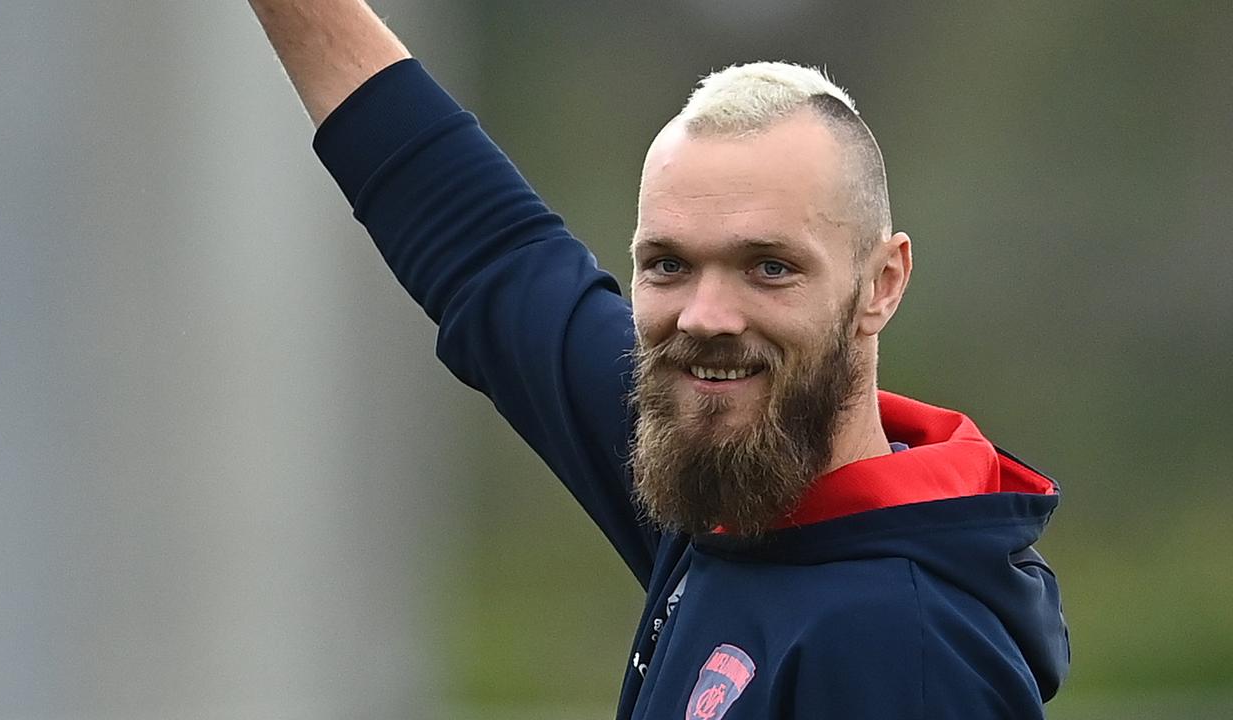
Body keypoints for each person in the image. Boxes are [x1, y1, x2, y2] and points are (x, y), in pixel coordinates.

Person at [247, 2, 1070, 717]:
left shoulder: (901, 645)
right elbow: (488, 257)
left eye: (769, 267)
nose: (707, 316)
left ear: (880, 284)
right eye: (668, 265)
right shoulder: (727, 477)